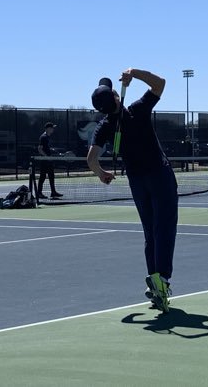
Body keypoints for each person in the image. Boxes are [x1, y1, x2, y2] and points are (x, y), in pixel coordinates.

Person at [85, 71, 180, 312]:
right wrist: (134, 74)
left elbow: (91, 159)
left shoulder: (104, 126)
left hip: (137, 182)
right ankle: (163, 280)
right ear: (117, 97)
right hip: (159, 176)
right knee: (164, 228)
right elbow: (161, 84)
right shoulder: (137, 109)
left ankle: (154, 281)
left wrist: (102, 174)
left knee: (150, 233)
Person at [34, 123, 63, 199]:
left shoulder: (48, 137)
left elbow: (47, 148)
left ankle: (53, 192)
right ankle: (39, 193)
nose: (53, 129)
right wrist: (46, 157)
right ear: (48, 128)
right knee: (42, 177)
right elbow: (39, 149)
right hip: (44, 161)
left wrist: (52, 153)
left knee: (51, 176)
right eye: (52, 128)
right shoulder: (43, 137)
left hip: (49, 160)